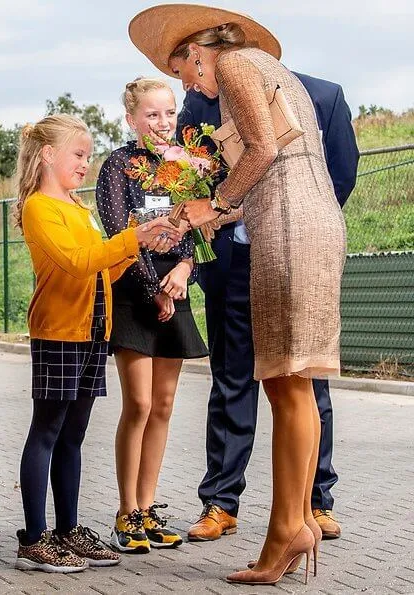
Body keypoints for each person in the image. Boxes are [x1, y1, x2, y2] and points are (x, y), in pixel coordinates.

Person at [129, 4, 347, 586]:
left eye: (183, 71)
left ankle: (285, 532)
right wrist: (209, 213)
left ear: (197, 50)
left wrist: (213, 204)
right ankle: (298, 519)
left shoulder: (237, 67)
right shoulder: (269, 71)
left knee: (286, 380)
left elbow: (264, 153)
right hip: (296, 220)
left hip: (289, 230)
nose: (189, 84)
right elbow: (282, 162)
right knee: (291, 381)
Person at [177, 72, 359, 543]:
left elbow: (341, 172)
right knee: (231, 383)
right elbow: (191, 178)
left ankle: (316, 502)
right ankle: (220, 503)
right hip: (233, 264)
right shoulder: (201, 103)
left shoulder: (324, 95)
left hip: (294, 256)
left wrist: (292, 221)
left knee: (306, 384)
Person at [15, 113, 180, 573]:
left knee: (73, 435)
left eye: (88, 157)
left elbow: (101, 270)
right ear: (48, 155)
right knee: (47, 432)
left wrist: (137, 245)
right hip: (59, 333)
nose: (85, 164)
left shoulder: (79, 208)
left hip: (92, 333)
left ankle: (68, 531)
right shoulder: (40, 208)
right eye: (79, 155)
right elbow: (75, 262)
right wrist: (130, 236)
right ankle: (33, 538)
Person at [96, 78, 208, 554]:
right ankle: (125, 513)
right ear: (131, 120)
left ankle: (147, 508)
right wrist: (154, 291)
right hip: (134, 289)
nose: (163, 124)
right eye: (152, 115)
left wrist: (184, 269)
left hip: (174, 285)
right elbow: (123, 232)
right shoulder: (118, 165)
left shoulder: (184, 168)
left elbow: (197, 234)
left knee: (163, 406)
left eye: (169, 114)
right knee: (138, 404)